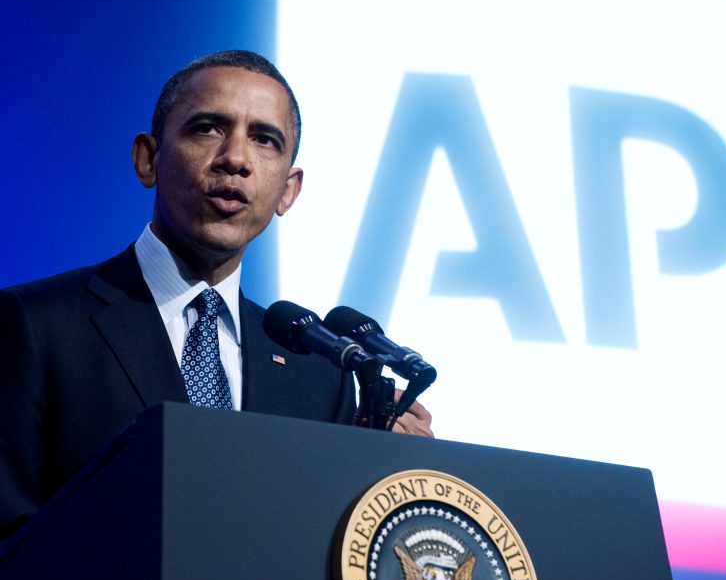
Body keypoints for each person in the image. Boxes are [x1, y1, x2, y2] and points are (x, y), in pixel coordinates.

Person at [0, 50, 432, 539]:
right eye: (207, 128)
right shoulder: (34, 327)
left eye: (265, 140)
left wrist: (373, 474)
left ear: (288, 190)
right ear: (148, 159)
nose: (236, 159)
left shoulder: (319, 372)